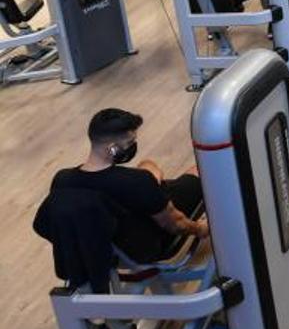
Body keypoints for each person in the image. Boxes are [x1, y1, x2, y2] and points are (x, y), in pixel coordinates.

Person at [49, 109, 207, 264]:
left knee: (147, 166)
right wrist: (200, 229)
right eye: (130, 143)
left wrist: (149, 173)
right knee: (202, 170)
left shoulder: (62, 180)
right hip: (145, 247)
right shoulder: (136, 181)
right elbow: (176, 224)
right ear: (112, 149)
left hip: (100, 251)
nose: (133, 147)